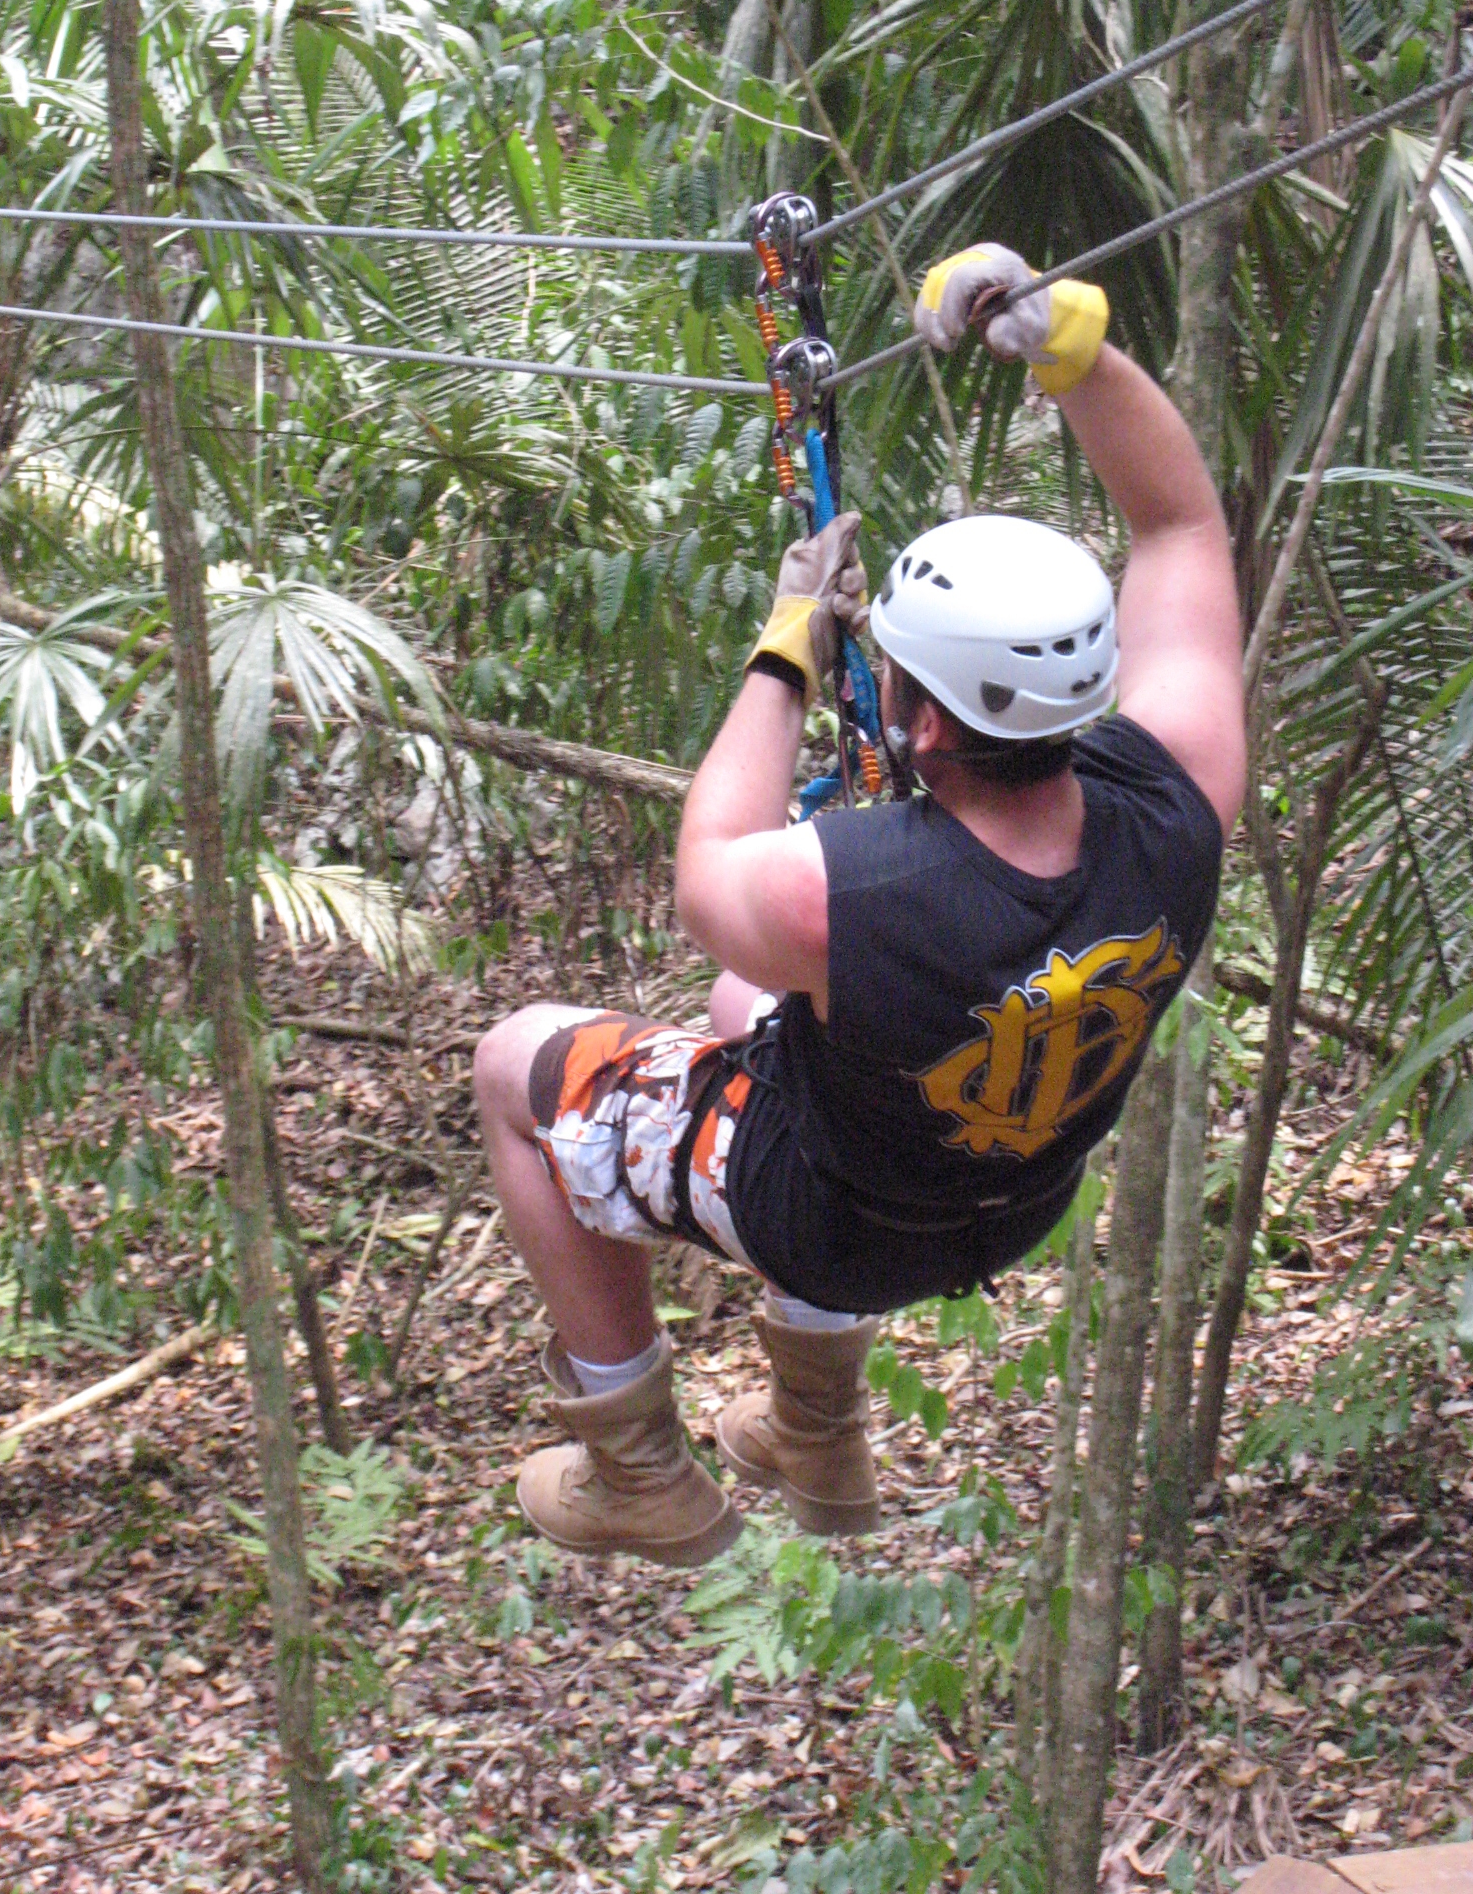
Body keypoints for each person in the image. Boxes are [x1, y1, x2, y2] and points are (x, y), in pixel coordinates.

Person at [473, 243, 1246, 1569]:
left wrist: (787, 646)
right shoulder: (1181, 801)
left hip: (820, 1216)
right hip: (1005, 1204)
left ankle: (638, 1467)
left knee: (513, 1065)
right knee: (744, 1003)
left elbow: (710, 863)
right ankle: (815, 1432)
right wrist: (1072, 347)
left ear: (920, 719)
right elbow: (1180, 526)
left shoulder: (847, 892)